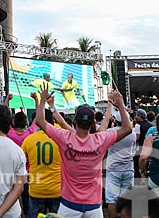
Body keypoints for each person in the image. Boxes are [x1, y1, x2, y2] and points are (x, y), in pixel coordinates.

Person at [35, 88, 132, 218]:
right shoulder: (100, 140)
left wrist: (42, 101)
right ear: (93, 123)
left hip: (69, 205)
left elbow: (41, 121)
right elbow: (127, 128)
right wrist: (120, 106)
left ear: (75, 121)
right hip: (94, 206)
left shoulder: (65, 138)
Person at [22, 108, 62, 218]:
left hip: (36, 189)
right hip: (57, 189)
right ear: (52, 121)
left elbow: (21, 163)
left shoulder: (29, 139)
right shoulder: (61, 137)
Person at [105, 109, 136, 218]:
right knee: (126, 201)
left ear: (116, 120)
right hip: (128, 168)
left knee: (112, 200)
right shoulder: (132, 133)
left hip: (113, 170)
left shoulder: (110, 132)